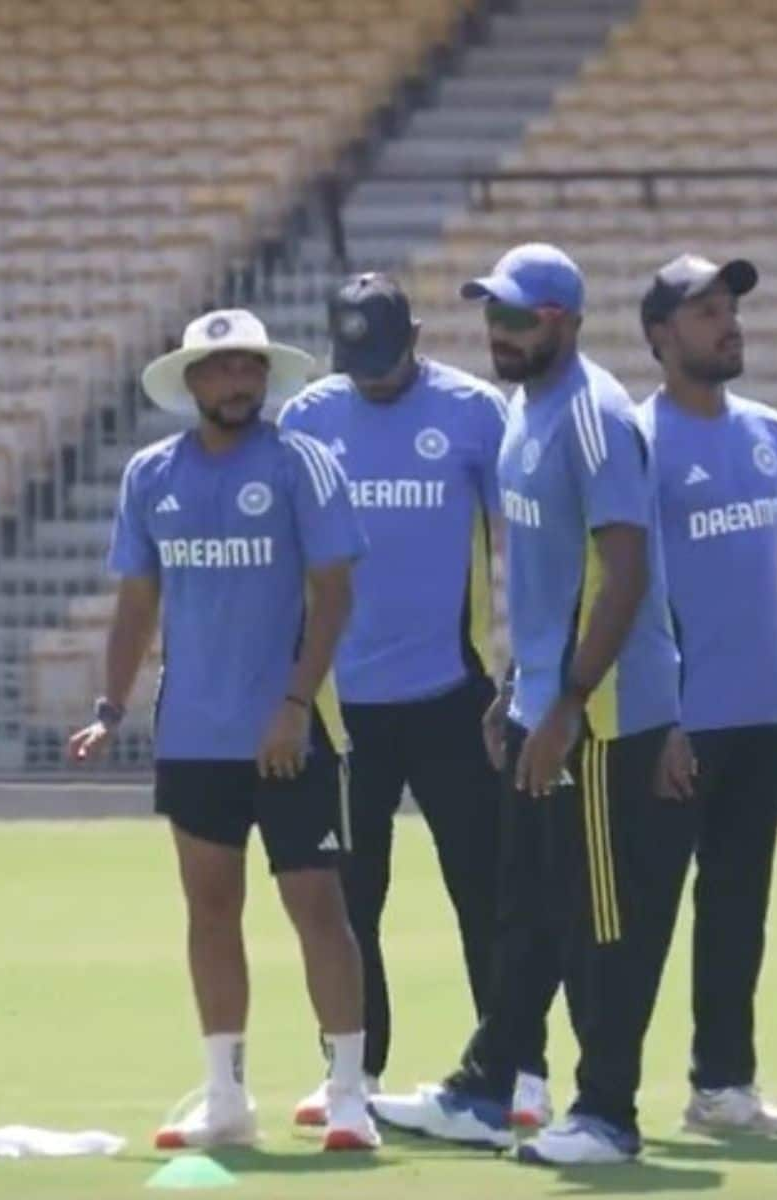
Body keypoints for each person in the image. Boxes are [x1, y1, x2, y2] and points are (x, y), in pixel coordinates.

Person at [373, 243, 696, 1165]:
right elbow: (551, 579)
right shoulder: (523, 411)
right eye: (491, 315)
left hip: (602, 720)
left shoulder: (593, 417)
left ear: (562, 319)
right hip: (547, 705)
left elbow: (624, 575)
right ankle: (486, 1086)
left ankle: (607, 1114)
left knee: (598, 920)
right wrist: (520, 684)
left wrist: (567, 707)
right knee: (527, 911)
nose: (497, 332)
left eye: (516, 317)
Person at [67, 308, 377, 1152]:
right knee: (211, 911)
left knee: (316, 905)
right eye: (221, 369)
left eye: (249, 369)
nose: (238, 383)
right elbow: (137, 604)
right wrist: (110, 709)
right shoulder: (150, 475)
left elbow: (334, 597)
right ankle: (225, 1096)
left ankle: (348, 1092)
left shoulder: (299, 463)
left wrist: (290, 704)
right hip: (194, 735)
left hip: (289, 734)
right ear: (192, 382)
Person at [277, 274, 543, 1125]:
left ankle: (517, 1072)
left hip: (453, 695)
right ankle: (353, 1074)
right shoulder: (309, 418)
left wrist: (522, 674)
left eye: (386, 360)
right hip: (344, 706)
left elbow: (527, 544)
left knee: (486, 887)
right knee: (353, 898)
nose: (372, 377)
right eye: (357, 362)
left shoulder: (474, 413)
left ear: (418, 336)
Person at [635, 252, 777, 1137]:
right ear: (661, 335)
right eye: (705, 311)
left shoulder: (769, 433)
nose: (727, 322)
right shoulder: (638, 440)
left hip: (761, 713)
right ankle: (601, 1090)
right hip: (676, 723)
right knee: (638, 915)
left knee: (737, 909)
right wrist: (662, 716)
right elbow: (626, 590)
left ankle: (723, 1086)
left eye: (731, 307)